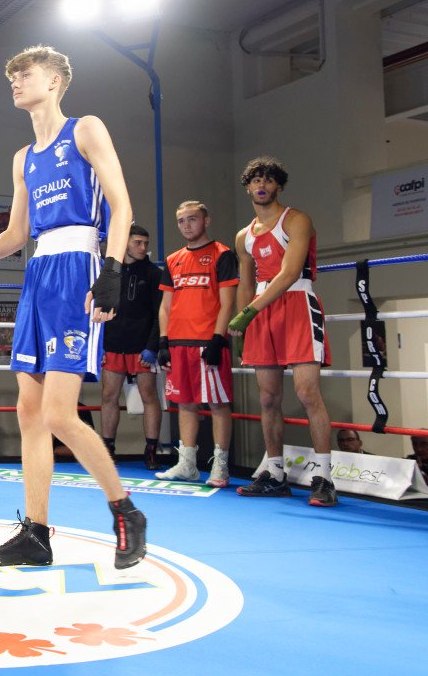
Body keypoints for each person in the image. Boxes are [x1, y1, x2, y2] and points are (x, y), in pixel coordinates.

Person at [0, 45, 146, 571]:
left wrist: (112, 270)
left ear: (55, 80)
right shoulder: (23, 157)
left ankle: (126, 511)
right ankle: (36, 534)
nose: (16, 81)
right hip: (39, 272)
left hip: (78, 267)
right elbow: (17, 233)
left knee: (60, 413)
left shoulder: (85, 129)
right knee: (29, 412)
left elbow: (121, 204)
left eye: (25, 73)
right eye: (12, 75)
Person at [230, 156, 337, 507]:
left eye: (268, 180)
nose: (262, 185)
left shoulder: (296, 219)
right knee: (267, 398)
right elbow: (247, 284)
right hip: (261, 312)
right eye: (255, 180)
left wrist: (248, 313)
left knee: (307, 393)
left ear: (278, 186)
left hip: (297, 305)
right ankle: (275, 473)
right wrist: (244, 324)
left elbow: (289, 273)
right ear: (247, 187)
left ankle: (324, 478)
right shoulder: (244, 236)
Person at [154, 201, 239, 487]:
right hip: (178, 342)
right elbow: (165, 306)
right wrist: (163, 340)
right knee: (184, 403)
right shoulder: (173, 259)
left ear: (206, 221)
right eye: (181, 221)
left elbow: (228, 303)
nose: (186, 225)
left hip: (207, 340)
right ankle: (187, 464)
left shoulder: (222, 254)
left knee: (218, 404)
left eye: (192, 219)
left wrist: (218, 338)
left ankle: (221, 466)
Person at [98, 224, 163, 468]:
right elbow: (97, 310)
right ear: (125, 242)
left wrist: (153, 346)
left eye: (146, 243)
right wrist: (99, 346)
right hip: (113, 343)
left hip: (142, 345)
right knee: (108, 396)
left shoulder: (154, 273)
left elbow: (161, 313)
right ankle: (107, 450)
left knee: (149, 396)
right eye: (138, 243)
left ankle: (151, 451)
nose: (143, 248)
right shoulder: (110, 272)